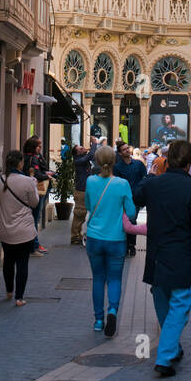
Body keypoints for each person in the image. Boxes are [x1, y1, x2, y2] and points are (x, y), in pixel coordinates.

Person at [133, 139, 191, 376]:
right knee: (179, 305)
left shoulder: (154, 185)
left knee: (162, 299)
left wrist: (151, 175)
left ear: (167, 161)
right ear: (189, 164)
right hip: (182, 255)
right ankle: (165, 357)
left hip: (156, 253)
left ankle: (172, 347)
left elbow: (136, 197)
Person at [84, 145, 136, 334]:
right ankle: (113, 309)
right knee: (114, 278)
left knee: (98, 278)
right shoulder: (122, 184)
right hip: (116, 239)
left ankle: (98, 320)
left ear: (97, 162)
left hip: (94, 238)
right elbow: (131, 213)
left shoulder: (90, 181)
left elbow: (89, 205)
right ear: (114, 162)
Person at [0, 150, 39, 306]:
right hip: (24, 230)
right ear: (20, 163)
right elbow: (34, 203)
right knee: (22, 263)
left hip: (5, 228)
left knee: (8, 261)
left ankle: (8, 291)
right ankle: (19, 298)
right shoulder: (28, 182)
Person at [113, 143, 147, 256]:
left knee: (132, 220)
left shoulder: (138, 164)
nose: (127, 150)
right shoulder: (117, 167)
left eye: (128, 148)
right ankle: (125, 244)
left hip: (136, 197)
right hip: (123, 198)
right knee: (124, 221)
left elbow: (144, 178)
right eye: (124, 149)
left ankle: (131, 245)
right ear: (120, 153)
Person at [23, 136, 53, 256]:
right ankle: (33, 246)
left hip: (27, 191)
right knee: (35, 218)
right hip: (36, 191)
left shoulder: (26, 157)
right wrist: (47, 176)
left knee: (33, 218)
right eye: (38, 146)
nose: (40, 148)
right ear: (33, 147)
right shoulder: (33, 159)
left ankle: (32, 245)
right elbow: (37, 175)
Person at [71, 137, 98, 246]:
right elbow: (91, 155)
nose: (83, 148)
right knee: (79, 213)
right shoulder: (78, 160)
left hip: (86, 190)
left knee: (83, 213)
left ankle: (78, 235)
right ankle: (75, 237)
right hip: (81, 190)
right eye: (81, 148)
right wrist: (94, 143)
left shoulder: (82, 159)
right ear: (78, 153)